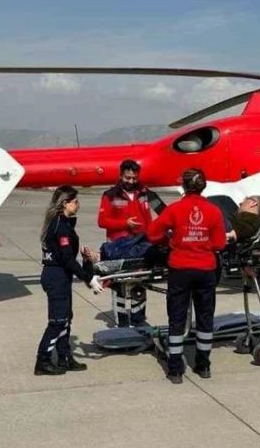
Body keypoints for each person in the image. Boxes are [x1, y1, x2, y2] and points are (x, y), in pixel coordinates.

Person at [147, 168, 227, 384]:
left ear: (183, 185)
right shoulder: (213, 211)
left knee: (177, 318)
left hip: (180, 269)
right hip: (205, 270)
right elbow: (220, 243)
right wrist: (203, 243)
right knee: (205, 317)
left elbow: (153, 233)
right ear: (203, 186)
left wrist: (171, 242)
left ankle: (175, 369)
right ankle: (203, 365)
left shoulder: (174, 209)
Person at [37, 185, 105, 376]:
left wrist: (84, 260)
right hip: (56, 276)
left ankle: (65, 358)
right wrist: (89, 277)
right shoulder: (61, 227)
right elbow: (67, 259)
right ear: (65, 203)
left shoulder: (62, 223)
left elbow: (66, 257)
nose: (78, 205)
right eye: (75, 201)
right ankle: (42, 361)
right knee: (57, 322)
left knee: (66, 319)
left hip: (60, 276)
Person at [97, 159, 165, 328]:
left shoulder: (144, 192)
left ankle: (139, 319)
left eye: (134, 178)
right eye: (128, 178)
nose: (131, 181)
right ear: (121, 176)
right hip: (119, 247)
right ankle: (122, 323)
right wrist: (124, 224)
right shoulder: (110, 195)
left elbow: (153, 214)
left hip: (141, 246)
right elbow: (102, 220)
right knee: (119, 285)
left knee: (139, 283)